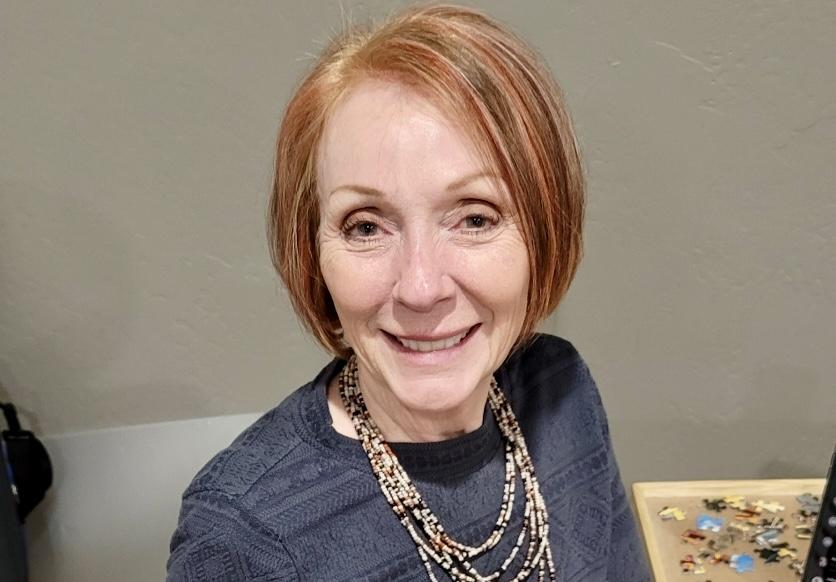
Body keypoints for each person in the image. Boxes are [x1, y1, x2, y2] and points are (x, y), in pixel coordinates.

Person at [167, 4, 651, 581]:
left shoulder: (560, 391)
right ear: (312, 253)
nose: (421, 289)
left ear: (544, 232)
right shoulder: (243, 538)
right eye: (366, 227)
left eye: (475, 218)